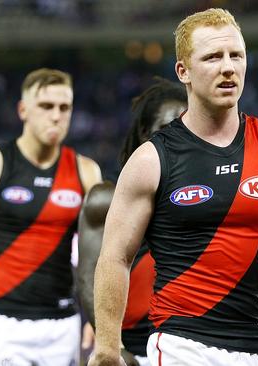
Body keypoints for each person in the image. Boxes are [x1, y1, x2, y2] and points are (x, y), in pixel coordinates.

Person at [90, 8, 258, 366]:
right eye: (213, 57)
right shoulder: (151, 159)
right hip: (184, 347)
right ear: (183, 71)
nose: (228, 67)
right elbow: (115, 257)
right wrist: (107, 347)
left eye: (236, 55)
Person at [0, 68, 102, 366]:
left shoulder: (86, 172)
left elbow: (98, 253)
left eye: (64, 108)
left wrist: (98, 315)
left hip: (63, 325)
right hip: (2, 324)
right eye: (46, 106)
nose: (56, 116)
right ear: (23, 110)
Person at [77, 78, 188, 366]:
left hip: (188, 349)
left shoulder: (210, 198)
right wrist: (113, 346)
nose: (176, 138)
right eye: (165, 129)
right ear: (143, 133)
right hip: (132, 352)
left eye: (185, 128)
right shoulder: (106, 200)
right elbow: (89, 276)